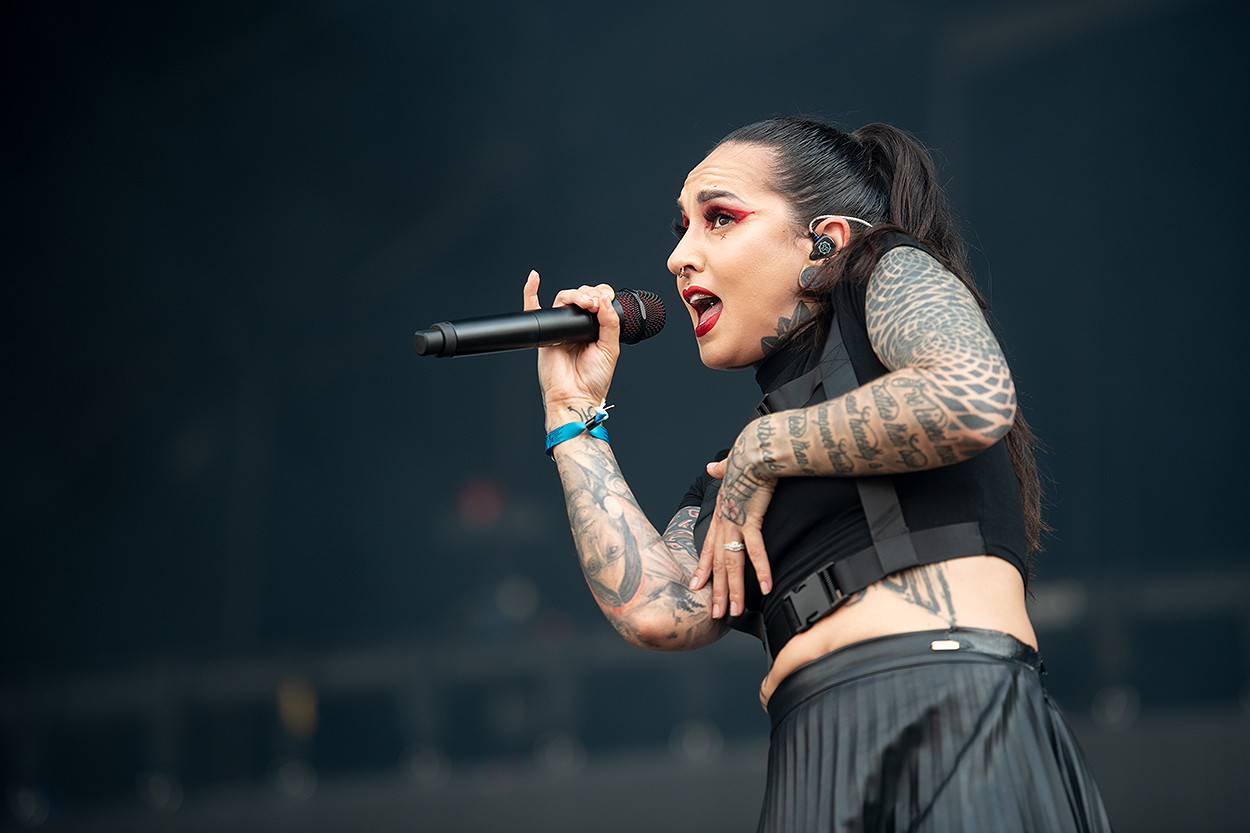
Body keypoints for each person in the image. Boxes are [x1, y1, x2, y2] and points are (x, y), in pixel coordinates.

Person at [523, 117, 1110, 832]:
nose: (679, 256)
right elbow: (660, 611)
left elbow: (971, 392)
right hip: (808, 751)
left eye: (719, 218)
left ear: (824, 239)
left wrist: (765, 449)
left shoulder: (885, 268)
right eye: (682, 228)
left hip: (949, 704)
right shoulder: (735, 471)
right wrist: (573, 413)